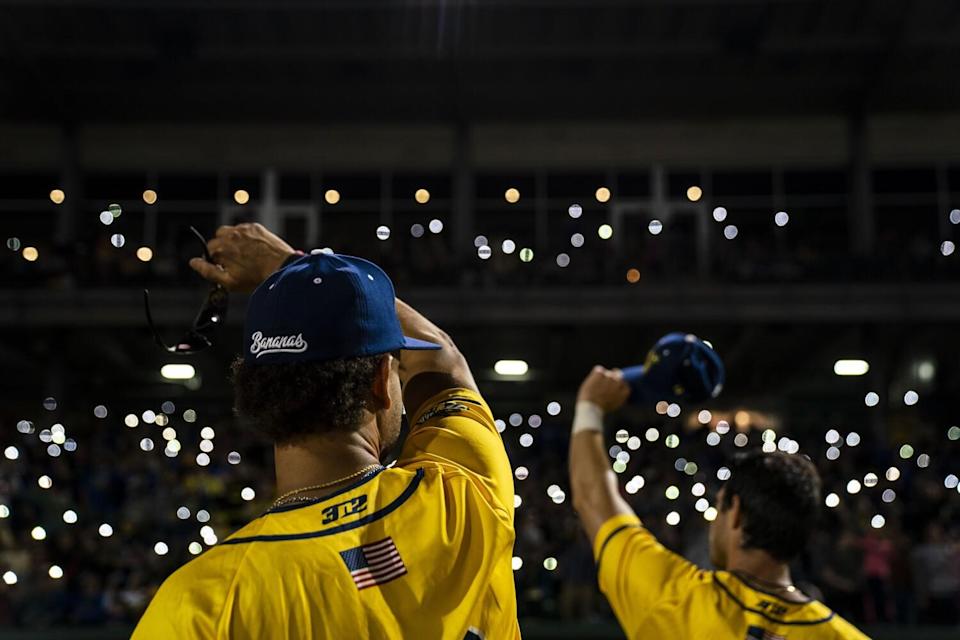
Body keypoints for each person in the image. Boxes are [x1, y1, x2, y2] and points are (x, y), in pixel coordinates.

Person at [133, 224, 519, 639]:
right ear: (381, 381)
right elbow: (441, 356)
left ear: (251, 392)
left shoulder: (204, 602)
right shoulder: (463, 496)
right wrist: (283, 264)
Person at [568, 365, 869, 639]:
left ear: (735, 512)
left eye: (719, 506)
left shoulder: (676, 599)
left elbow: (593, 496)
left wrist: (590, 405)